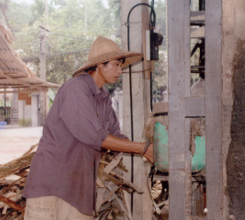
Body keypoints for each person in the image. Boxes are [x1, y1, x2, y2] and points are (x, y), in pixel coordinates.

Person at [23, 36, 153, 220]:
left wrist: (152, 146)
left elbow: (115, 137)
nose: (120, 71)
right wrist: (142, 148)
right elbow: (94, 137)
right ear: (100, 64)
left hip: (78, 185)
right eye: (116, 64)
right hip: (52, 184)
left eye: (120, 65)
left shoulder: (103, 97)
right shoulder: (76, 88)